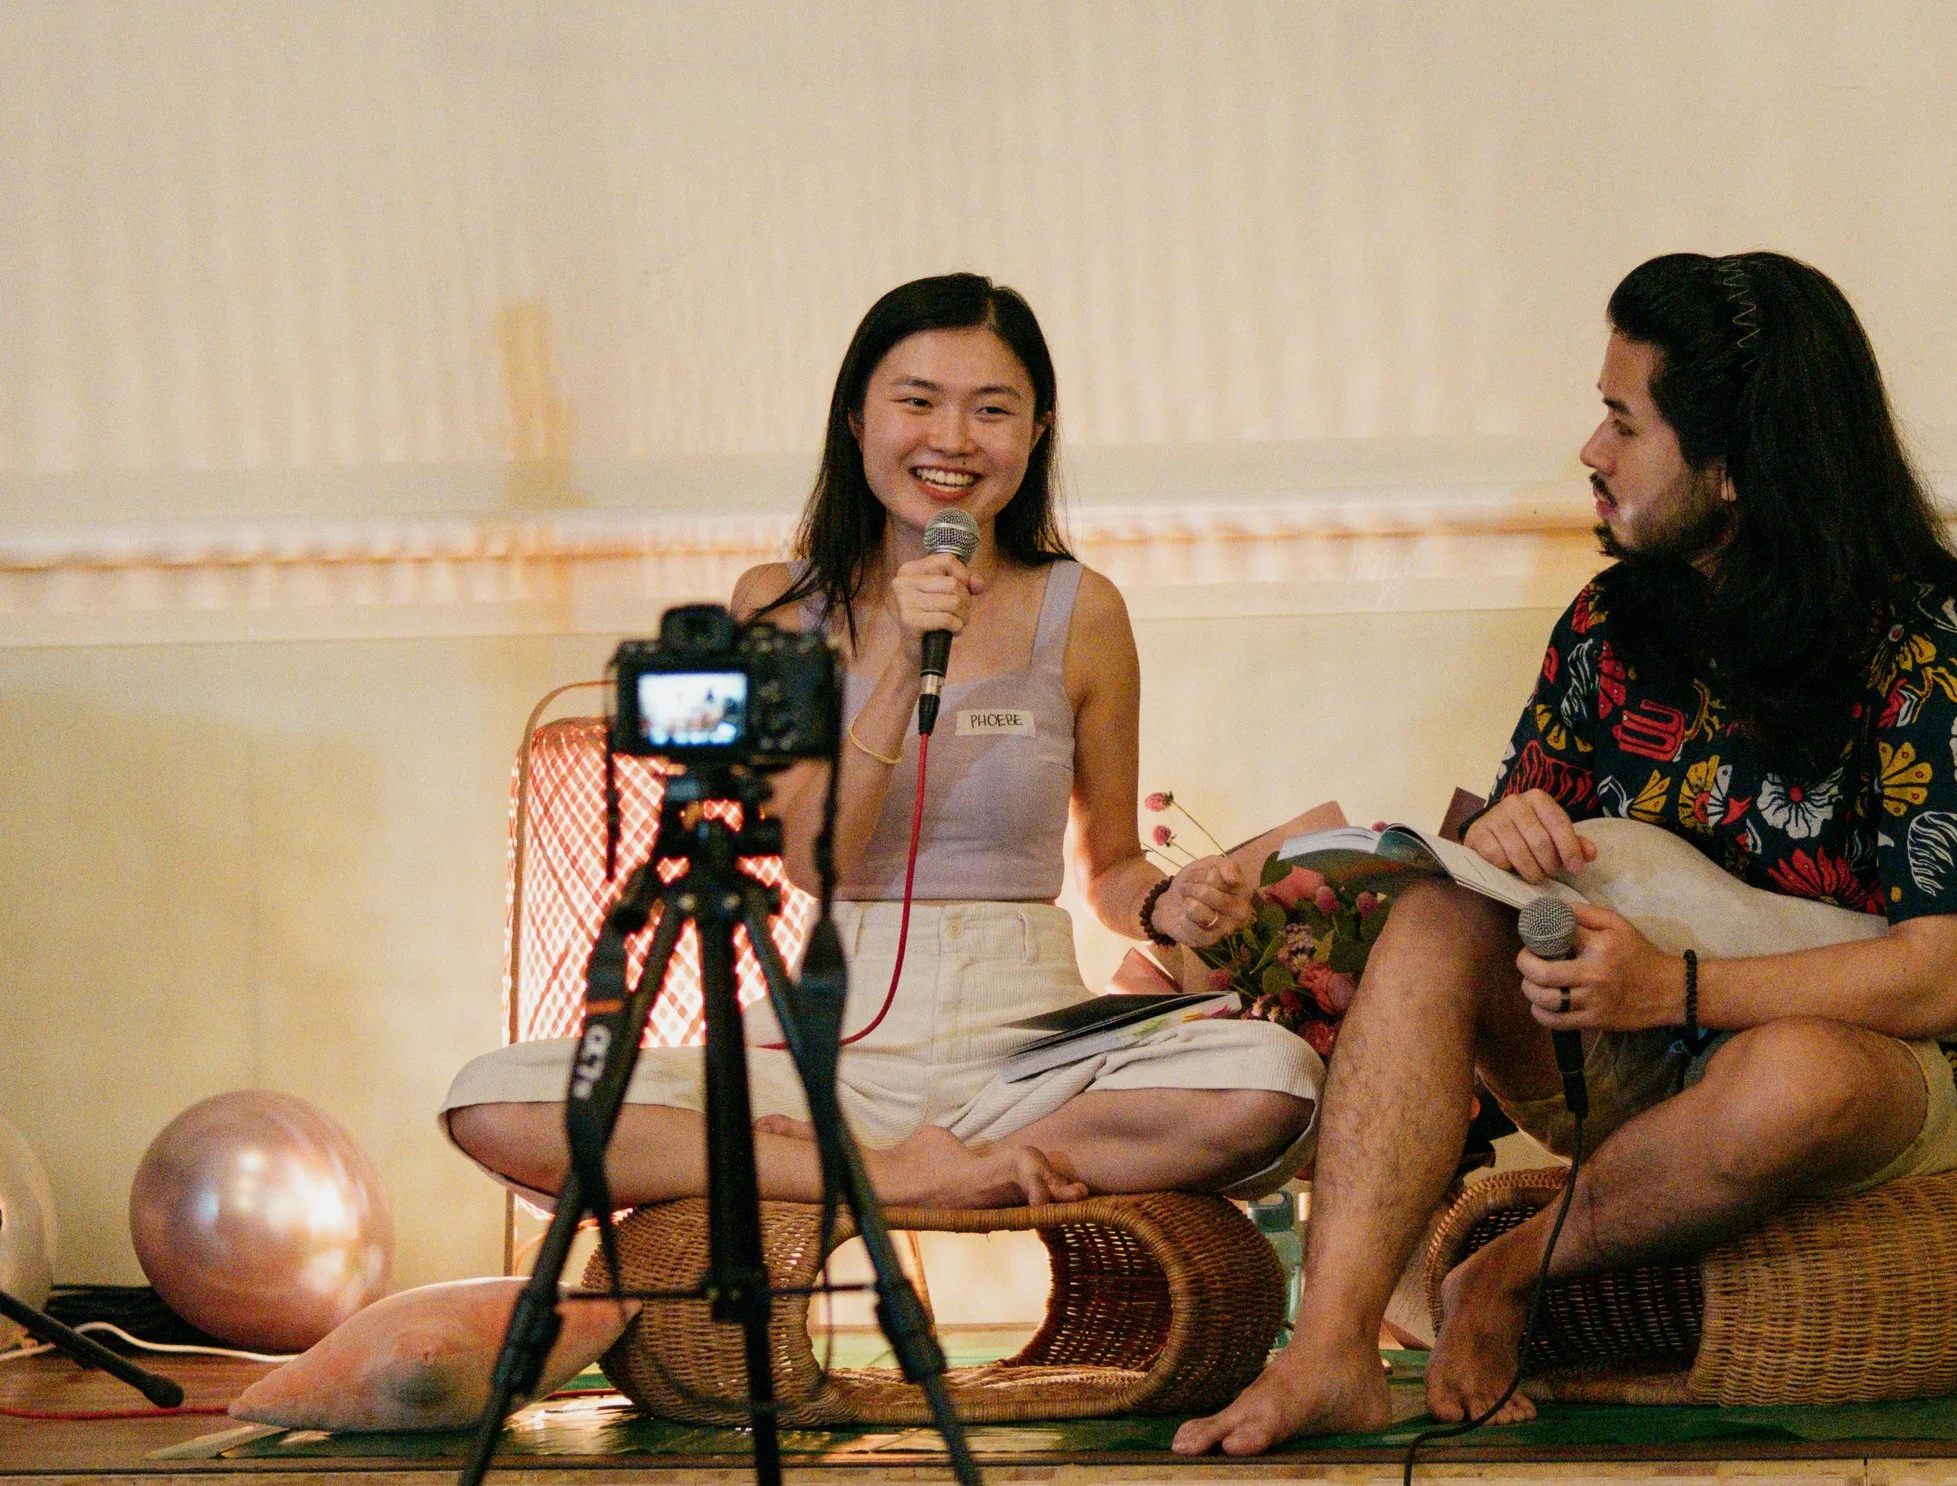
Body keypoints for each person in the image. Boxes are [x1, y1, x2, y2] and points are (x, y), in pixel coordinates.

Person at [1176, 252, 1957, 1456]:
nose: (1591, 448)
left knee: (1796, 1075)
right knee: (1433, 916)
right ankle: (1329, 1352)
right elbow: (1511, 863)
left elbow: (1939, 979)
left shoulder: (1930, 669)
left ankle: (1505, 1274)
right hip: (1628, 1053)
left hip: (1860, 1079)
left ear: (1734, 467)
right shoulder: (1604, 627)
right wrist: (1493, 836)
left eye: (1625, 422)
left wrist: (1679, 990)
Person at [443, 273, 1323, 1212]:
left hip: (1026, 1051)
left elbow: (1110, 866)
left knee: (1269, 1076)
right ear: (858, 420)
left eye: (991, 410)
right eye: (917, 402)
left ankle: (945, 1163)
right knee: (502, 1099)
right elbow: (813, 861)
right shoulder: (774, 607)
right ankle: (907, 1175)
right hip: (827, 1036)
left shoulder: (1086, 608)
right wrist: (902, 663)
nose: (952, 439)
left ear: (1037, 431)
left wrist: (1169, 905)